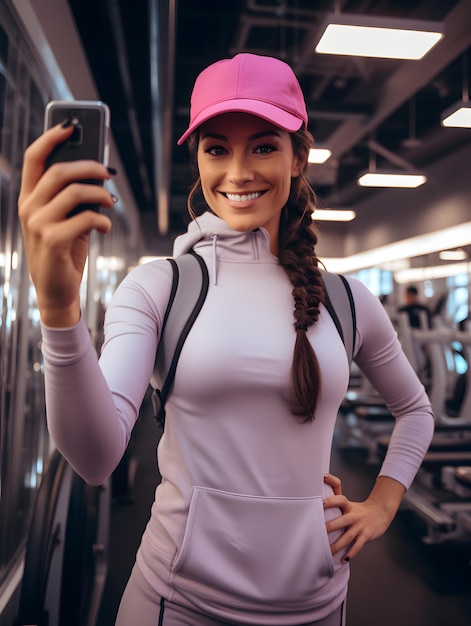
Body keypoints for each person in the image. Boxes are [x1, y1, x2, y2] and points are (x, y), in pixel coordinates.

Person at [19, 53, 434, 626]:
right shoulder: (159, 285)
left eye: (264, 146)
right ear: (199, 161)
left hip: (320, 601)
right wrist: (59, 310)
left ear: (298, 157)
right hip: (178, 601)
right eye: (217, 149)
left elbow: (415, 409)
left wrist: (383, 505)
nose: (238, 172)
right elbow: (94, 459)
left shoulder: (345, 299)